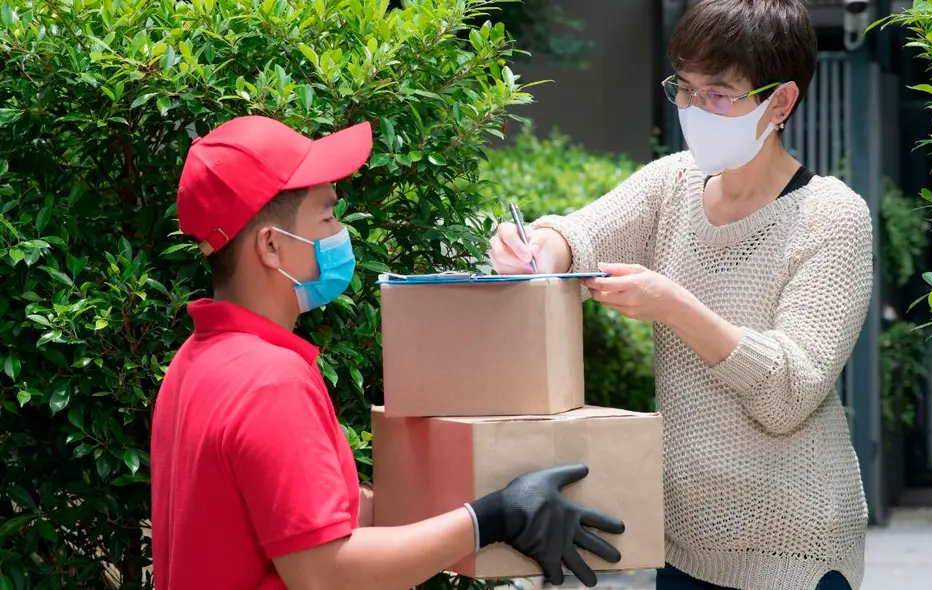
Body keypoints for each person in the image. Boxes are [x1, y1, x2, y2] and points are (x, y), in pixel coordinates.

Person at [149, 115, 625, 590]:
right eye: (327, 216)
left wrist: (489, 490)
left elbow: (310, 517)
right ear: (271, 246)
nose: (340, 232)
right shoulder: (271, 381)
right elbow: (324, 572)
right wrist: (492, 518)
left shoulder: (196, 362)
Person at [488, 0, 871, 589]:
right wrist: (536, 248)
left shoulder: (832, 217)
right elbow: (582, 233)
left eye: (718, 94)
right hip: (684, 542)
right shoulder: (674, 183)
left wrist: (675, 307)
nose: (695, 110)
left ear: (781, 101)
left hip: (795, 548)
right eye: (685, 90)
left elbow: (792, 391)